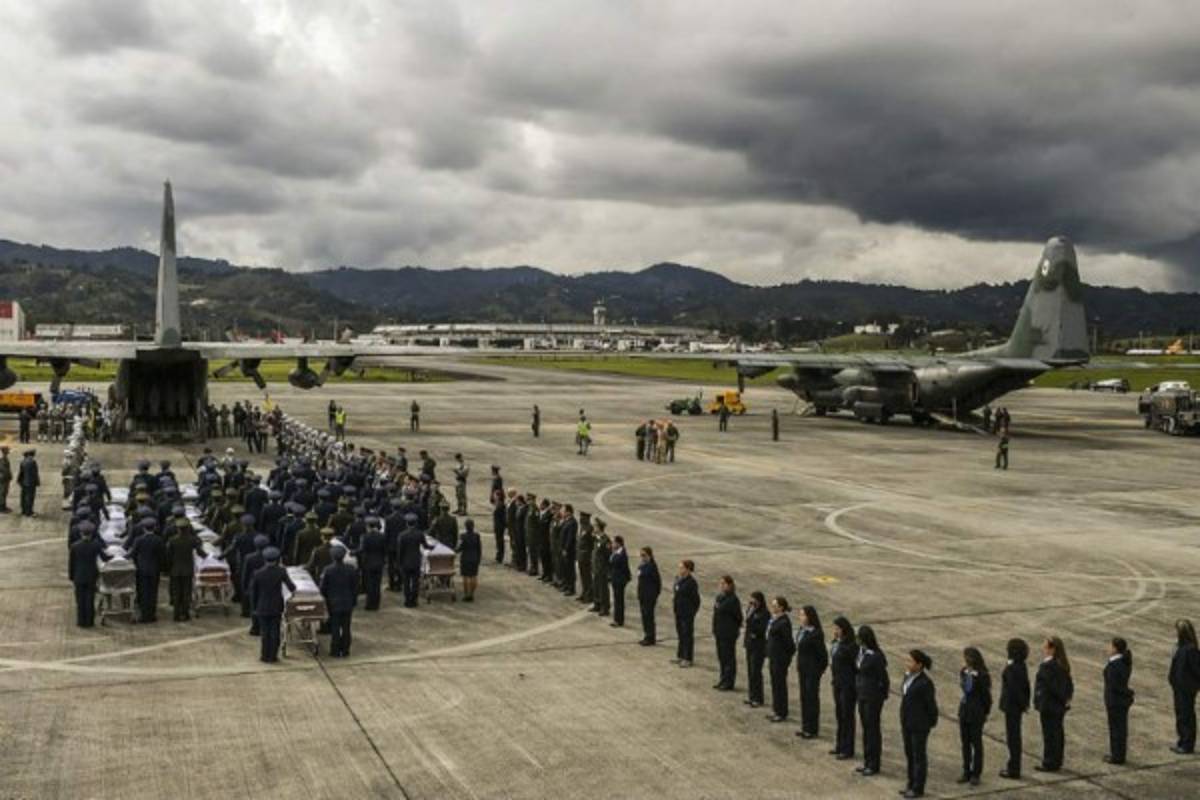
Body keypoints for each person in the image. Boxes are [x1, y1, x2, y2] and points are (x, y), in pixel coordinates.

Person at [900, 649, 939, 799]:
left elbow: (931, 706)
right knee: (909, 754)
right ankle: (910, 783)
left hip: (919, 725)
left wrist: (929, 722)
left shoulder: (925, 683)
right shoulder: (908, 676)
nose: (907, 663)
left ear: (919, 665)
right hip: (907, 722)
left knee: (918, 757)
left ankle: (918, 788)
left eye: (911, 661)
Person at [1034, 635, 1074, 772]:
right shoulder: (1062, 664)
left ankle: (1049, 761)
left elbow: (1050, 686)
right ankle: (1057, 760)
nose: (1043, 649)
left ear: (1052, 649)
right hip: (1058, 706)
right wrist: (1066, 698)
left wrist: (1040, 701)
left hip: (1049, 705)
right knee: (1057, 733)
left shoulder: (1048, 666)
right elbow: (1068, 684)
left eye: (1045, 646)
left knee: (1050, 735)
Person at [250, 547, 295, 663]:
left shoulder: (258, 573)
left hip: (262, 606)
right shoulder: (281, 571)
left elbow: (253, 593)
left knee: (265, 633)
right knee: (275, 632)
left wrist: (254, 608)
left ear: (264, 559)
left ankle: (264, 656)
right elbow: (291, 587)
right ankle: (273, 656)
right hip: (276, 606)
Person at [856, 625, 889, 777]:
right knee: (866, 729)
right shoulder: (862, 653)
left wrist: (881, 695)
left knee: (872, 730)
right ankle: (867, 761)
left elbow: (883, 678)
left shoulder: (876, 656)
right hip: (862, 694)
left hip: (872, 697)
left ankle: (874, 764)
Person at [958, 646, 992, 786]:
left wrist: (984, 711)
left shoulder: (982, 675)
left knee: (976, 743)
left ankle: (976, 773)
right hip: (965, 710)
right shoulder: (964, 672)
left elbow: (986, 696)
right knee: (965, 742)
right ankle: (966, 771)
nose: (966, 661)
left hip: (976, 711)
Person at [999, 637, 1031, 779]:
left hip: (1012, 707)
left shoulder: (1013, 668)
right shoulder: (1021, 665)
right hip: (1017, 706)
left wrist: (1021, 703)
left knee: (1013, 738)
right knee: (1014, 737)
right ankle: (1014, 766)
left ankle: (1014, 768)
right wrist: (1025, 703)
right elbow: (1026, 686)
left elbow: (1014, 689)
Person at [795, 605, 829, 738]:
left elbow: (822, 655)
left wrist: (819, 670)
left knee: (811, 699)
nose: (801, 618)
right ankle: (805, 726)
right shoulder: (803, 630)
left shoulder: (816, 634)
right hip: (803, 669)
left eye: (803, 615)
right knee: (804, 697)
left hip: (812, 671)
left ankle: (812, 729)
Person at [68, 523, 110, 627]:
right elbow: (104, 557)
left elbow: (71, 563)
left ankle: (81, 621)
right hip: (91, 575)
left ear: (81, 534)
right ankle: (89, 621)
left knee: (80, 599)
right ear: (91, 534)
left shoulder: (75, 546)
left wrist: (71, 576)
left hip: (78, 575)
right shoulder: (96, 545)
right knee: (90, 599)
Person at [320, 544, 358, 657]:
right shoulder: (351, 569)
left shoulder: (328, 570)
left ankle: (335, 650)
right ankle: (345, 650)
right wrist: (353, 600)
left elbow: (323, 588)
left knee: (335, 627)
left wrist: (326, 599)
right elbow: (355, 587)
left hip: (333, 603)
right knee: (346, 627)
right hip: (348, 602)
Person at [829, 617, 859, 760]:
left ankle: (848, 748)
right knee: (839, 715)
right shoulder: (837, 643)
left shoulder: (851, 646)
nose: (835, 631)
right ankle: (840, 744)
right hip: (837, 683)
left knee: (847, 716)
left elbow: (855, 666)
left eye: (837, 628)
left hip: (847, 685)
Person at [1170, 618, 1200, 754]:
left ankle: (1187, 744)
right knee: (1180, 714)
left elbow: (1197, 669)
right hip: (1179, 686)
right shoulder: (1181, 648)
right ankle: (1182, 739)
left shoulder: (1190, 649)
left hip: (1186, 688)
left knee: (1186, 715)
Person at [165, 520, 205, 621]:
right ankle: (186, 613)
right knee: (187, 592)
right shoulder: (192, 540)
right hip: (188, 570)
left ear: (178, 529)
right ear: (187, 529)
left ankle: (176, 614)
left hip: (175, 570)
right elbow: (201, 552)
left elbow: (168, 556)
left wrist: (168, 568)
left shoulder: (172, 540)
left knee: (176, 592)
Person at [1104, 637, 1134, 765]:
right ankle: (1116, 753)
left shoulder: (1115, 665)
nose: (1108, 648)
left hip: (1115, 701)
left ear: (1115, 649)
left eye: (1110, 646)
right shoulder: (1122, 662)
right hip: (1118, 700)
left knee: (1117, 729)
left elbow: (1115, 685)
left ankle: (1117, 755)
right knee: (1119, 728)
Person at [766, 596, 796, 722]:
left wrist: (786, 657)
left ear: (781, 608)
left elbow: (789, 643)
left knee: (780, 685)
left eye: (775, 606)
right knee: (775, 684)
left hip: (780, 659)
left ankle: (781, 712)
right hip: (774, 657)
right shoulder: (775, 619)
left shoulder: (783, 622)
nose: (773, 608)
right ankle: (776, 709)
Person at [128, 522, 165, 623]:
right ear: (154, 528)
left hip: (142, 570)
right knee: (153, 592)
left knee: (143, 593)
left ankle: (143, 615)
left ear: (144, 528)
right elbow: (162, 556)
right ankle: (152, 615)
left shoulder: (138, 540)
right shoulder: (159, 540)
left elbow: (132, 554)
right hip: (154, 569)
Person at [711, 575, 743, 691]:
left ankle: (729, 682)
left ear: (730, 585)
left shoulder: (733, 599)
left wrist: (733, 628)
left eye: (724, 583)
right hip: (719, 632)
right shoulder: (720, 597)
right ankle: (723, 679)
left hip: (728, 633)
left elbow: (738, 617)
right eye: (721, 583)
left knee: (728, 658)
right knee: (722, 657)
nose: (722, 585)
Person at [671, 559, 700, 667]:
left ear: (688, 569)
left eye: (682, 568)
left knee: (687, 635)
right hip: (678, 610)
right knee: (680, 634)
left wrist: (692, 611)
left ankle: (688, 658)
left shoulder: (691, 582)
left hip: (687, 613)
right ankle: (680, 655)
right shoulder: (679, 579)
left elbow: (696, 600)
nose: (680, 569)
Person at [744, 592, 769, 708]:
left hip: (758, 646)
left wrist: (751, 623)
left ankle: (758, 698)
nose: (752, 603)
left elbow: (761, 630)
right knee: (750, 671)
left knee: (756, 672)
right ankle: (752, 695)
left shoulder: (764, 613)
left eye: (754, 601)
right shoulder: (752, 611)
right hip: (750, 644)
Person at [357, 516, 386, 611]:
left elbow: (361, 549)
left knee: (370, 584)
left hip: (368, 563)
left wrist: (353, 552)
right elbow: (384, 550)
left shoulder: (365, 537)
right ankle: (376, 604)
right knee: (377, 584)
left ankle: (369, 604)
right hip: (379, 562)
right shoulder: (382, 536)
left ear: (368, 526)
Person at [636, 546, 661, 645]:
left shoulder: (652, 566)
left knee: (649, 617)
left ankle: (650, 637)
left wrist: (654, 594)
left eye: (644, 555)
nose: (642, 557)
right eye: (641, 555)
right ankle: (646, 635)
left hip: (649, 596)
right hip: (642, 595)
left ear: (649, 555)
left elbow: (657, 582)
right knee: (644, 616)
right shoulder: (642, 565)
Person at [456, 518, 482, 601]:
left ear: (466, 527)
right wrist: (478, 558)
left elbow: (460, 547)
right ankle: (472, 594)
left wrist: (454, 550)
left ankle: (466, 594)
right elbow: (479, 548)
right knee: (474, 576)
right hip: (475, 558)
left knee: (466, 577)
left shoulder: (463, 536)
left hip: (465, 558)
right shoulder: (477, 536)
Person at [609, 534, 631, 626]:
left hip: (619, 579)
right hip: (615, 578)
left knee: (619, 601)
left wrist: (625, 579)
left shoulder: (621, 554)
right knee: (617, 599)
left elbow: (624, 568)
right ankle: (616, 618)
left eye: (614, 542)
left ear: (618, 543)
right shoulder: (616, 552)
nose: (612, 544)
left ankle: (619, 620)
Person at [18, 449, 39, 517]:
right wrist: (37, 482)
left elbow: (21, 473)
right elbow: (35, 473)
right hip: (31, 482)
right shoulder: (33, 462)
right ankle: (29, 511)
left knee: (23, 496)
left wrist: (19, 481)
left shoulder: (23, 461)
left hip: (24, 482)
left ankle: (23, 510)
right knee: (30, 497)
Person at [491, 490, 506, 564]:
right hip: (497, 525)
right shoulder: (497, 504)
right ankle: (498, 555)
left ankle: (500, 556)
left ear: (498, 496)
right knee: (498, 541)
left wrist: (502, 525)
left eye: (495, 495)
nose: (494, 496)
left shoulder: (500, 505)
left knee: (500, 541)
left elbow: (503, 517)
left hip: (500, 526)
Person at [0, 444, 11, 512]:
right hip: (3, 479)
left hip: (5, 478)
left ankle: (4, 506)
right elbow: (3, 469)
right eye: (7, 450)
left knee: (5, 492)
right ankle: (1, 507)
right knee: (2, 492)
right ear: (4, 451)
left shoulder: (5, 457)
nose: (8, 451)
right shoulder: (2, 458)